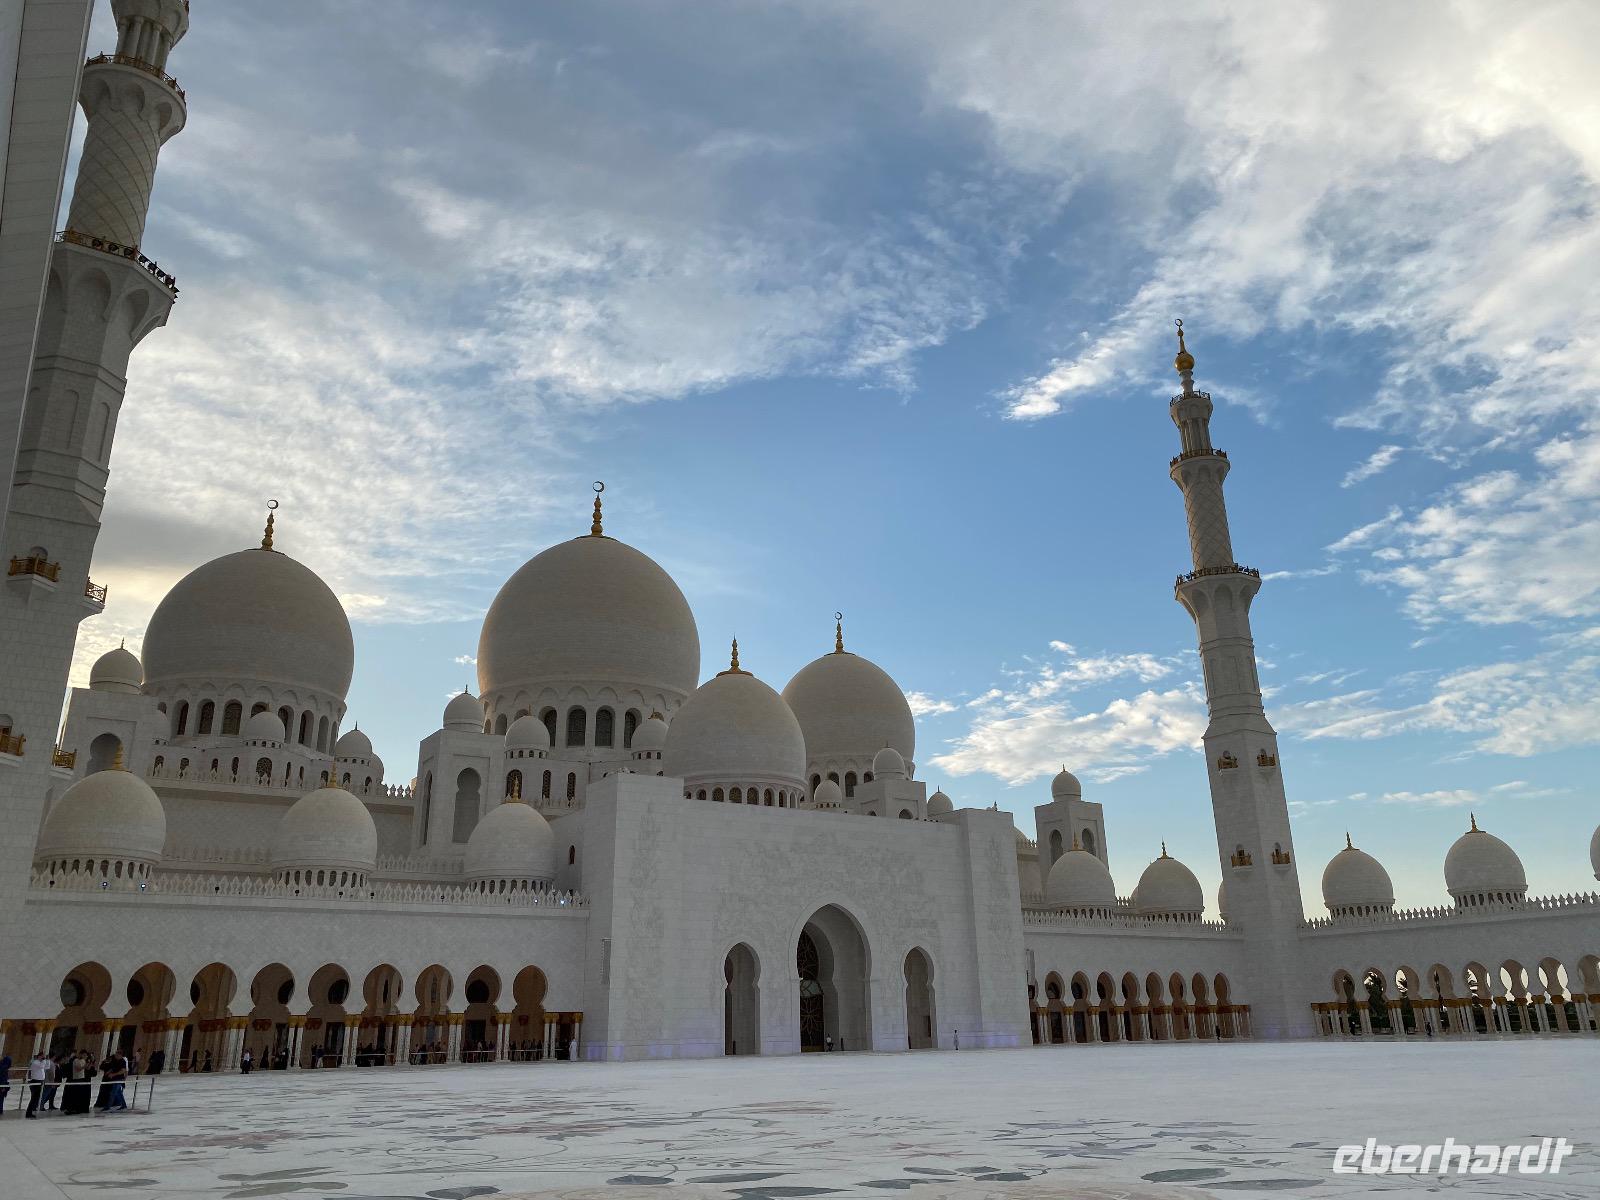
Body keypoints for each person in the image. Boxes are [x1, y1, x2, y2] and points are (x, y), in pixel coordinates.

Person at [24, 1051, 47, 1118]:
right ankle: (29, 1112)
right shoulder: (35, 1062)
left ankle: (31, 1111)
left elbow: (46, 1066)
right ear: (39, 1056)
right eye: (42, 1056)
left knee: (36, 1098)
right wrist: (44, 1060)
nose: (43, 1058)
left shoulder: (40, 1062)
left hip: (40, 1081)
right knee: (34, 1098)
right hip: (35, 1081)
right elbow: (42, 1066)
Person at [0, 1052, 11, 1116]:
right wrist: (3, 1087)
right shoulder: (4, 1067)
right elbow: (3, 1077)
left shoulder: (2, 1065)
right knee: (1, 1098)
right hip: (1, 1085)